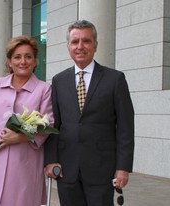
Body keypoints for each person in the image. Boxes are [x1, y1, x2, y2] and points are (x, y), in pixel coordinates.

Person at [44, 19, 135, 206]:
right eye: (75, 41)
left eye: (86, 41)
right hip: (66, 169)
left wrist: (123, 167)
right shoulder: (58, 81)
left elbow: (125, 126)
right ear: (68, 46)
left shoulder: (115, 79)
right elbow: (54, 124)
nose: (80, 46)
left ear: (95, 45)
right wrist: (51, 160)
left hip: (102, 169)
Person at [0, 36, 53, 206]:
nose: (23, 61)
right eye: (17, 57)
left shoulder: (44, 89)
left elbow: (48, 124)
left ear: (35, 61)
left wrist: (19, 137)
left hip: (26, 163)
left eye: (28, 56)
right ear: (9, 61)